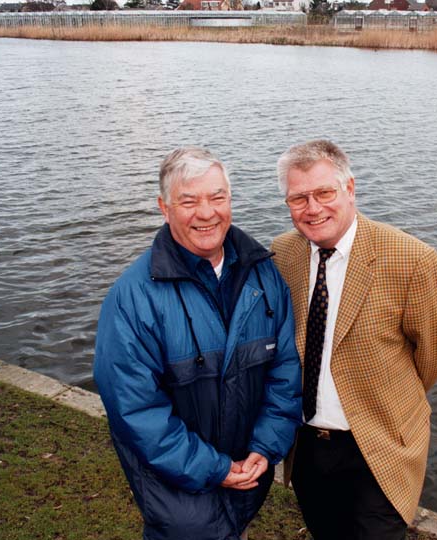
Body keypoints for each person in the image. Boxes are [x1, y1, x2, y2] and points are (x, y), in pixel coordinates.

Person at [93, 146, 302, 540]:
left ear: (230, 201)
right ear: (164, 207)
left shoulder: (264, 277)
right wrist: (215, 469)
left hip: (246, 481)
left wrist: (266, 446)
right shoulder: (133, 299)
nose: (206, 213)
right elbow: (136, 410)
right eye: (189, 201)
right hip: (178, 499)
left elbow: (285, 372)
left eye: (217, 197)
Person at [271, 140, 437, 540]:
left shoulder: (412, 260)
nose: (313, 208)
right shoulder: (283, 253)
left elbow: (435, 354)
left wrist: (389, 396)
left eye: (324, 193)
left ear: (350, 189)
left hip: (380, 445)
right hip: (307, 446)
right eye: (299, 198)